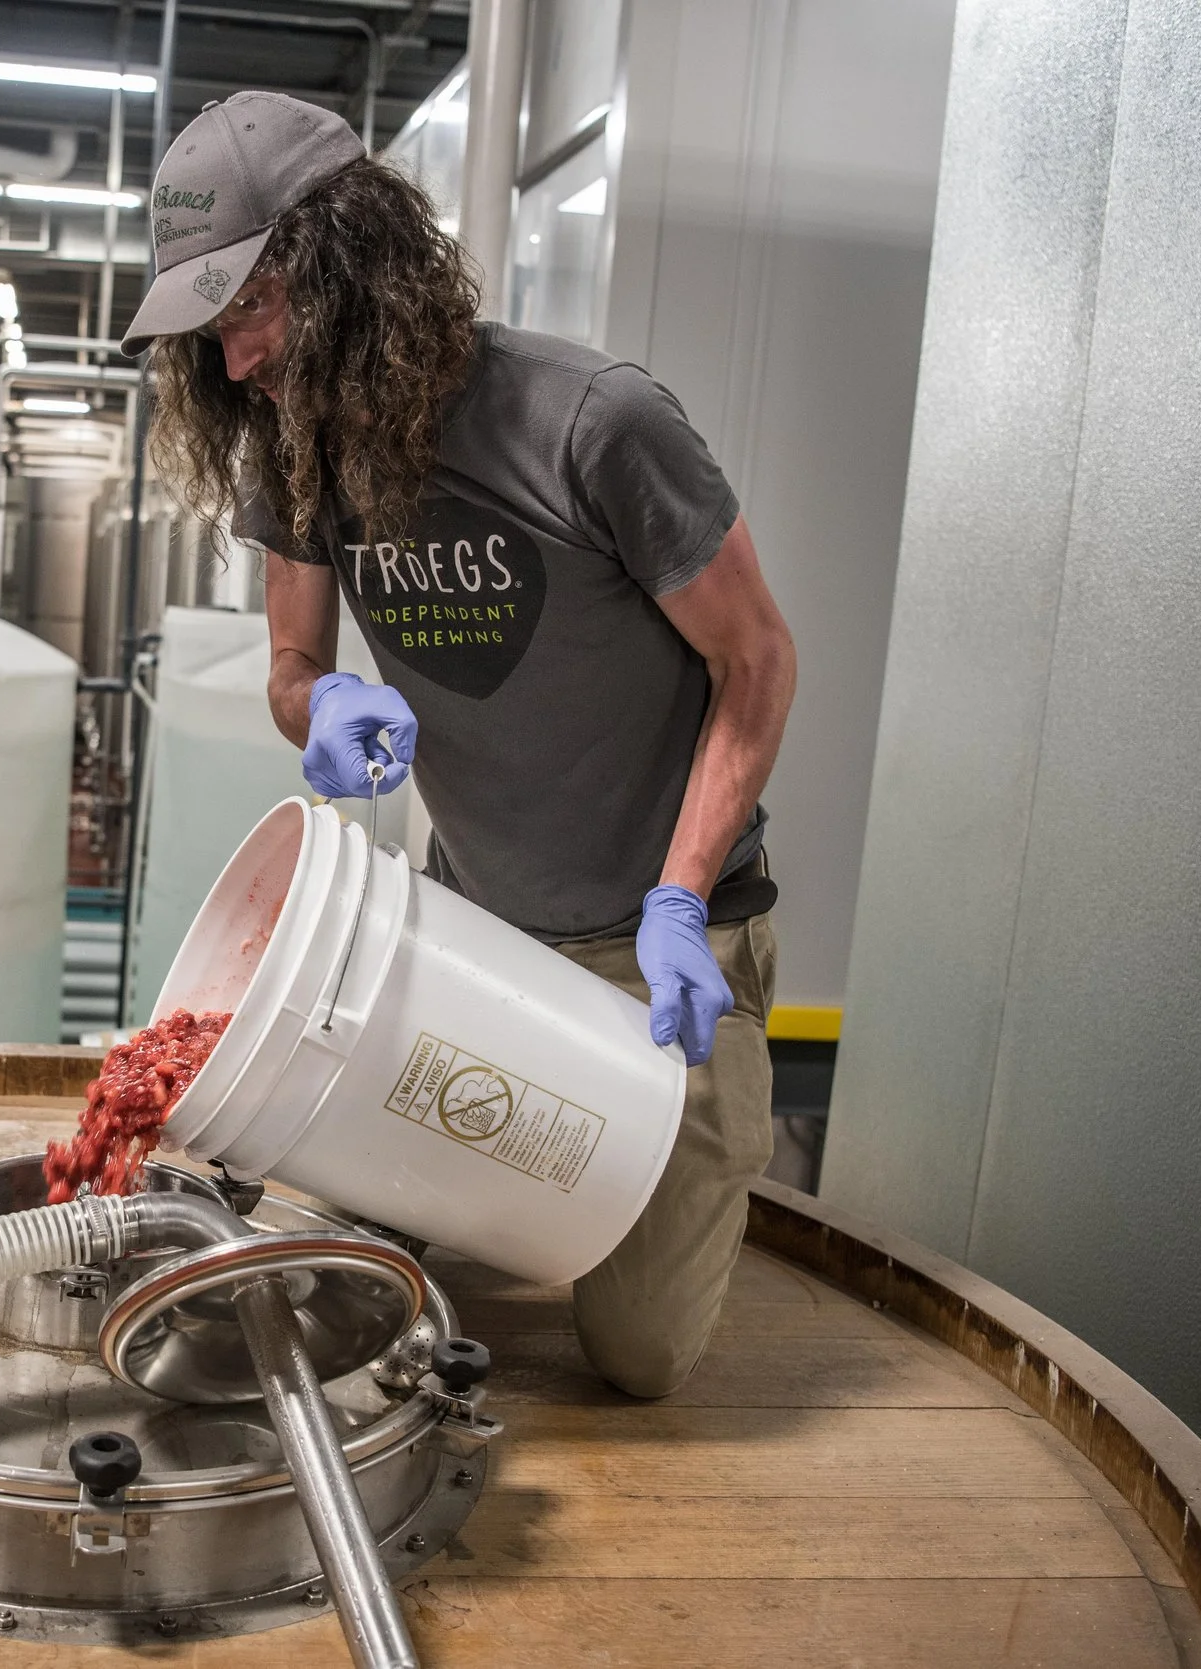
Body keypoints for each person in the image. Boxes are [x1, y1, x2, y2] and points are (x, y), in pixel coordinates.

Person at [122, 92, 797, 1398]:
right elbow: (292, 669)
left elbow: (758, 659)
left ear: (348, 266)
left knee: (640, 1359)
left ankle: (700, 1148)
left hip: (658, 949)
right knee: (344, 1282)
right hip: (466, 933)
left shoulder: (593, 423)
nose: (237, 362)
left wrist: (680, 896)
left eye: (251, 309)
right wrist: (321, 710)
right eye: (211, 332)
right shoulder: (297, 446)